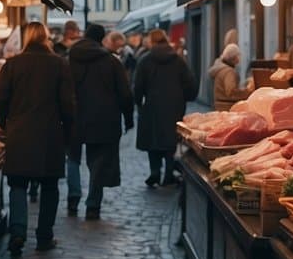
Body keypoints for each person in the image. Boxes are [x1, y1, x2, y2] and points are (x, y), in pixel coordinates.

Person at [0, 22, 75, 257]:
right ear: (46, 38)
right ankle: (44, 237)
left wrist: (6, 124)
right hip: (50, 135)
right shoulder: (59, 64)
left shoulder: (13, 64)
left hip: (19, 133)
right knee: (50, 187)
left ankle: (17, 232)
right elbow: (68, 105)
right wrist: (68, 135)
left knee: (17, 185)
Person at [66, 24, 134, 220]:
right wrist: (128, 119)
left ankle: (73, 197)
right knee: (98, 162)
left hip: (75, 116)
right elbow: (125, 94)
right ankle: (93, 205)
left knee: (72, 157)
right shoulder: (111, 62)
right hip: (104, 118)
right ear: (102, 39)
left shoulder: (69, 59)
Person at [134, 28, 197, 187]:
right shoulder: (178, 60)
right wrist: (186, 98)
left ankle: (154, 172)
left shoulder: (145, 60)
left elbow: (138, 86)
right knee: (170, 141)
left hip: (152, 105)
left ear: (152, 41)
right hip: (174, 105)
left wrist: (138, 103)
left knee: (152, 140)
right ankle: (168, 174)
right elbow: (189, 83)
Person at [208, 43, 242, 109]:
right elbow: (231, 92)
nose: (239, 58)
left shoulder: (220, 68)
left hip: (219, 106)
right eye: (238, 55)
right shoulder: (229, 72)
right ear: (234, 57)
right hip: (227, 107)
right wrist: (248, 91)